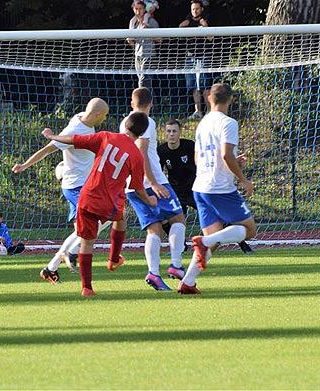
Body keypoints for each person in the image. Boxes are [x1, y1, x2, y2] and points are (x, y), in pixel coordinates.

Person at [41, 112, 157, 296]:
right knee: (120, 218)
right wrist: (149, 200)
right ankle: (113, 259)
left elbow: (74, 139)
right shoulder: (136, 156)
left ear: (126, 124)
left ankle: (87, 288)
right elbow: (137, 188)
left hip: (87, 196)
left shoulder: (106, 136)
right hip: (108, 201)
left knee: (87, 243)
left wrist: (52, 136)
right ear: (142, 133)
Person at [12, 98, 111, 284]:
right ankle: (70, 253)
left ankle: (51, 268)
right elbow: (48, 150)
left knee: (85, 229)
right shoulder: (75, 131)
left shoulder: (81, 118)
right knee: (104, 217)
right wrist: (25, 165)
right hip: (76, 186)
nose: (105, 119)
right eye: (104, 116)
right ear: (97, 114)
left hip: (84, 184)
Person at [178, 83, 257, 295]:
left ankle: (187, 282)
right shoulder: (228, 123)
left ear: (208, 98)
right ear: (230, 100)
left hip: (201, 187)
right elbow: (225, 155)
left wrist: (230, 162)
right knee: (249, 230)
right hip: (219, 188)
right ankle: (203, 242)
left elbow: (198, 158)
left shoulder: (202, 123)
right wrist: (243, 179)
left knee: (214, 239)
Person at [120, 87, 187, 291]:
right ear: (151, 104)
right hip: (151, 182)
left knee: (154, 229)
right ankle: (176, 265)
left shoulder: (125, 121)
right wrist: (154, 183)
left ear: (132, 103)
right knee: (178, 218)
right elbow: (140, 153)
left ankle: (154, 274)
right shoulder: (146, 122)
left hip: (132, 185)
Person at [157, 118, 254, 254]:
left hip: (195, 189)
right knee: (168, 220)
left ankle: (243, 243)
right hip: (176, 192)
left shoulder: (189, 146)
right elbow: (159, 171)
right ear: (165, 133)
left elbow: (208, 156)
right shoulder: (161, 151)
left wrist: (232, 161)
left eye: (174, 131)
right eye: (169, 131)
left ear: (179, 133)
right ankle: (181, 246)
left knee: (220, 217)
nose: (171, 134)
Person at [179, 0, 214, 119]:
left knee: (205, 84)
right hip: (190, 56)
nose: (195, 11)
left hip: (203, 56)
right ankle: (197, 111)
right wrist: (181, 27)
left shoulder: (207, 19)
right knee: (192, 85)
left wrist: (205, 27)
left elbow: (211, 38)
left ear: (202, 9)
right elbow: (180, 32)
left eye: (197, 9)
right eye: (193, 9)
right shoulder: (187, 21)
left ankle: (209, 111)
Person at [128, 1, 162, 91]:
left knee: (143, 83)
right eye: (136, 9)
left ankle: (143, 104)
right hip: (137, 56)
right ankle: (150, 104)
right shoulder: (133, 23)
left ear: (144, 10)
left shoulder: (151, 22)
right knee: (144, 85)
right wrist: (130, 41)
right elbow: (132, 43)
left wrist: (148, 31)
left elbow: (159, 39)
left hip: (149, 56)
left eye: (140, 9)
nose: (138, 11)